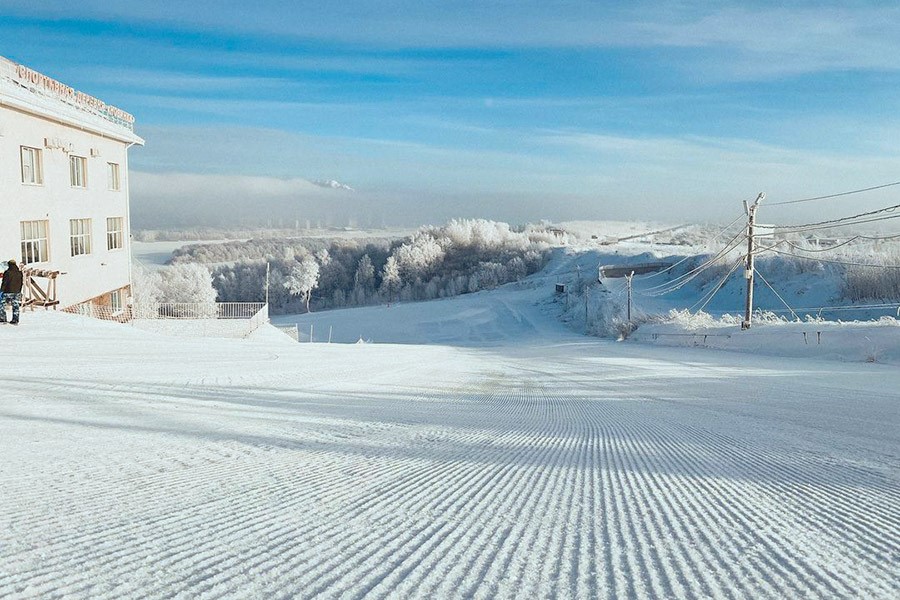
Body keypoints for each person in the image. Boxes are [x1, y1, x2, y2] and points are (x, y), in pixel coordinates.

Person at [0, 259, 23, 325]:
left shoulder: (7, 272)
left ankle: (2, 318)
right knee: (16, 306)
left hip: (7, 292)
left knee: (1, 305)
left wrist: (1, 291)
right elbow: (21, 283)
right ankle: (15, 320)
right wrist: (19, 291)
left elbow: (4, 283)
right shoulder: (19, 272)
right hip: (17, 292)